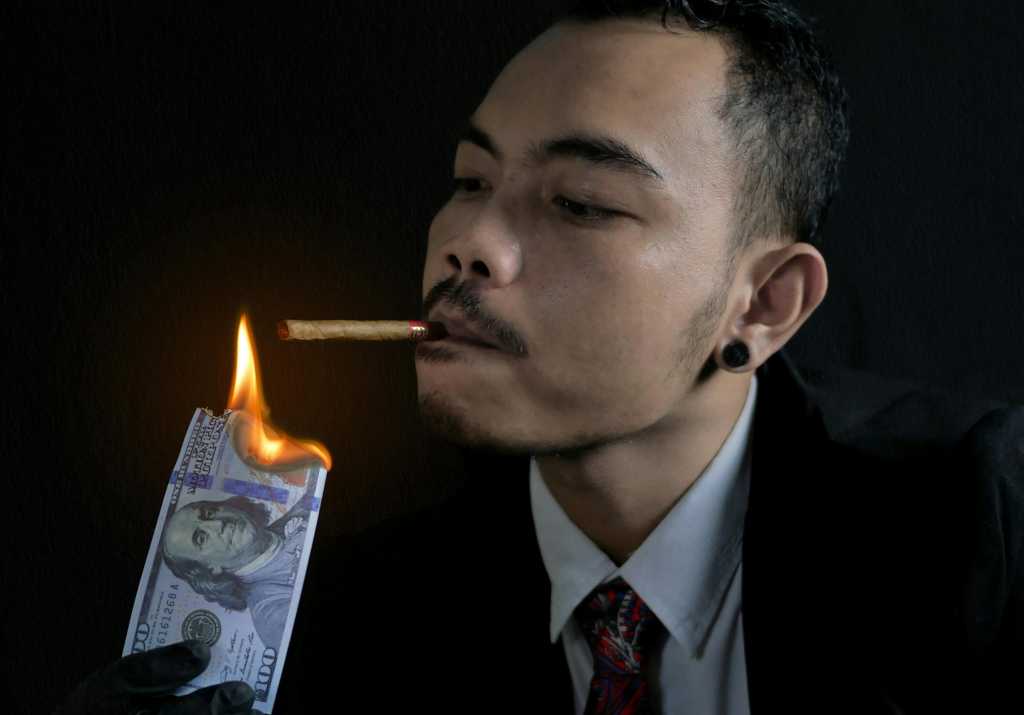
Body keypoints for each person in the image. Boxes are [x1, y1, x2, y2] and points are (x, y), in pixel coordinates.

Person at [58, 1, 1023, 713]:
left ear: (764, 303)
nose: (468, 242)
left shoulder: (979, 529)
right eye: (470, 179)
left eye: (580, 202)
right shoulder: (362, 613)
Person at [161, 494, 313, 651]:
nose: (218, 524)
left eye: (208, 513)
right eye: (201, 538)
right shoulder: (272, 614)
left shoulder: (305, 507)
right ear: (211, 569)